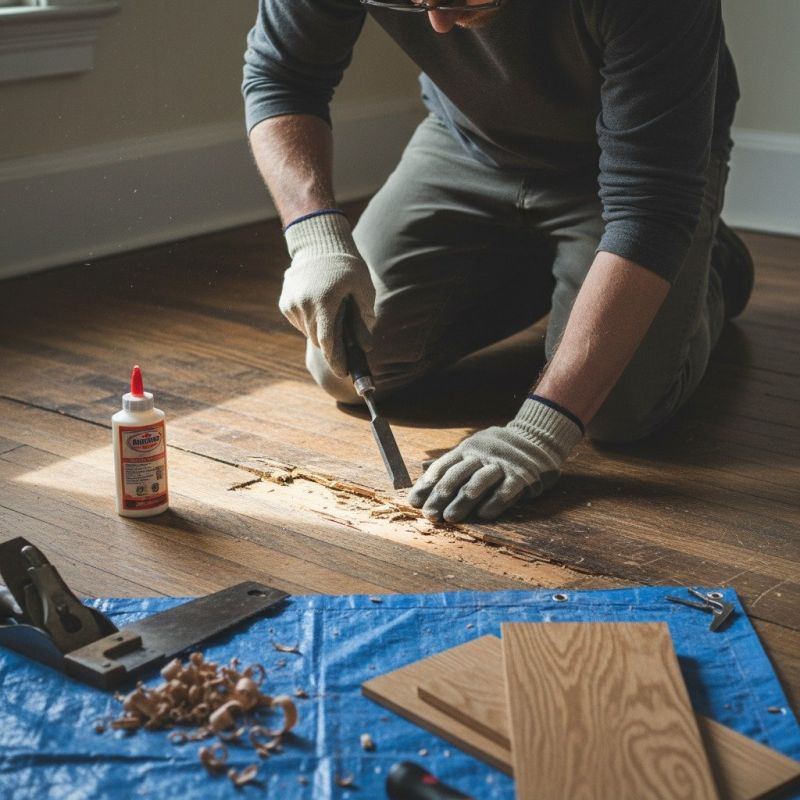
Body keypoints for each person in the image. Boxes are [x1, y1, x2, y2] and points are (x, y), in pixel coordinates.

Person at [242, 0, 753, 523]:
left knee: (617, 412)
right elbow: (281, 76)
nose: (437, 24)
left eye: (458, 0)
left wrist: (538, 432)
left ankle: (710, 265)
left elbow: (650, 208)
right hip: (471, 146)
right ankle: (567, 271)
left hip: (637, 174)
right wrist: (314, 236)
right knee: (347, 368)